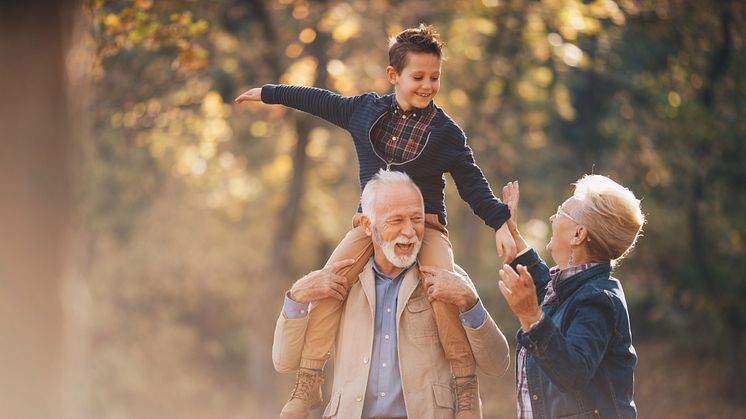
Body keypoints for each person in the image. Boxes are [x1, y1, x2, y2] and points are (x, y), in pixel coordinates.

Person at [236, 24, 514, 418]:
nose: (428, 86)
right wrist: (269, 92)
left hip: (426, 226)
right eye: (418, 77)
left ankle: (465, 387)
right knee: (333, 279)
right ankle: (309, 380)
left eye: (435, 77)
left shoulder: (446, 133)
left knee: (442, 290)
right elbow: (315, 99)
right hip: (370, 224)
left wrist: (500, 221)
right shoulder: (364, 111)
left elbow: (472, 183)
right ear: (393, 76)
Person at [273, 170, 510, 419]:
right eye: (396, 221)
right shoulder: (342, 281)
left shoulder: (447, 278)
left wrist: (470, 302)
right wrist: (297, 295)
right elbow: (283, 361)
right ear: (367, 225)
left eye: (416, 219)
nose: (409, 231)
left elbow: (497, 364)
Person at [496, 176, 645, 419]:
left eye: (560, 212)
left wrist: (532, 317)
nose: (552, 218)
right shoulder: (572, 290)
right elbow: (546, 290)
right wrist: (514, 235)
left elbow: (573, 371)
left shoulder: (599, 300)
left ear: (578, 234)